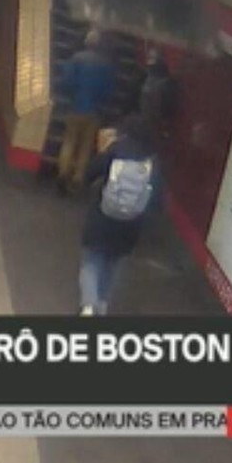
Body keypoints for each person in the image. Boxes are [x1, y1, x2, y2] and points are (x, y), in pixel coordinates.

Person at [78, 114, 161, 315]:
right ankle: (103, 305)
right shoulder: (151, 163)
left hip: (103, 217)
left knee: (92, 260)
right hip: (130, 224)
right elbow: (157, 199)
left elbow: (90, 172)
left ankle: (89, 306)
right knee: (113, 264)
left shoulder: (115, 151)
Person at [56, 29, 116, 194]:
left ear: (86, 42)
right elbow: (109, 91)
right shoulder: (107, 65)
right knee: (86, 146)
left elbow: (66, 81)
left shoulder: (76, 59)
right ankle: (77, 178)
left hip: (75, 107)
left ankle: (63, 173)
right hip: (95, 111)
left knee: (69, 141)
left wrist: (71, 94)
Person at [138, 48, 177, 141]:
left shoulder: (165, 82)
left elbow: (166, 107)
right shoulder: (146, 77)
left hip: (158, 123)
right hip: (148, 121)